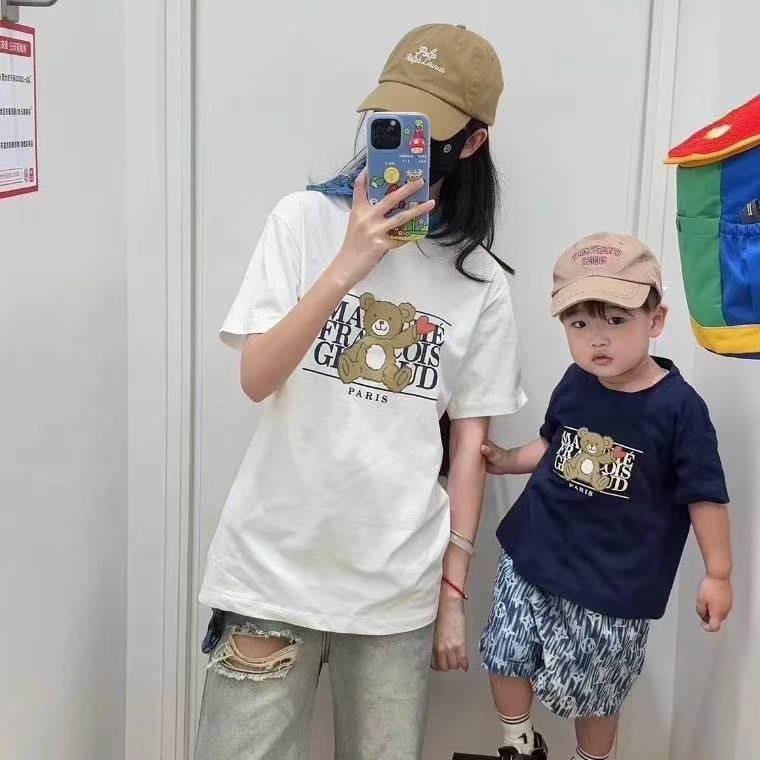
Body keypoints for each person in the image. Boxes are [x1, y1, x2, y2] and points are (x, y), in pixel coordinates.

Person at [194, 23, 527, 760]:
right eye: (391, 118)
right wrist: (349, 262)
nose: (402, 140)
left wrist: (453, 593)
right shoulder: (302, 221)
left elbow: (470, 446)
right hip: (271, 571)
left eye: (426, 128)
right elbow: (255, 378)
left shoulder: (480, 280)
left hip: (395, 589)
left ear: (471, 143)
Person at [479, 233, 733, 760]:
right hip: (535, 550)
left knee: (598, 695)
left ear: (655, 321)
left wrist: (718, 572)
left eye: (616, 320)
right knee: (504, 652)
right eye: (579, 324)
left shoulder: (680, 409)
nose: (598, 339)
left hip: (615, 582)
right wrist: (507, 459)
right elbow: (552, 445)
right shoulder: (576, 381)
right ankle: (518, 743)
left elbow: (704, 495)